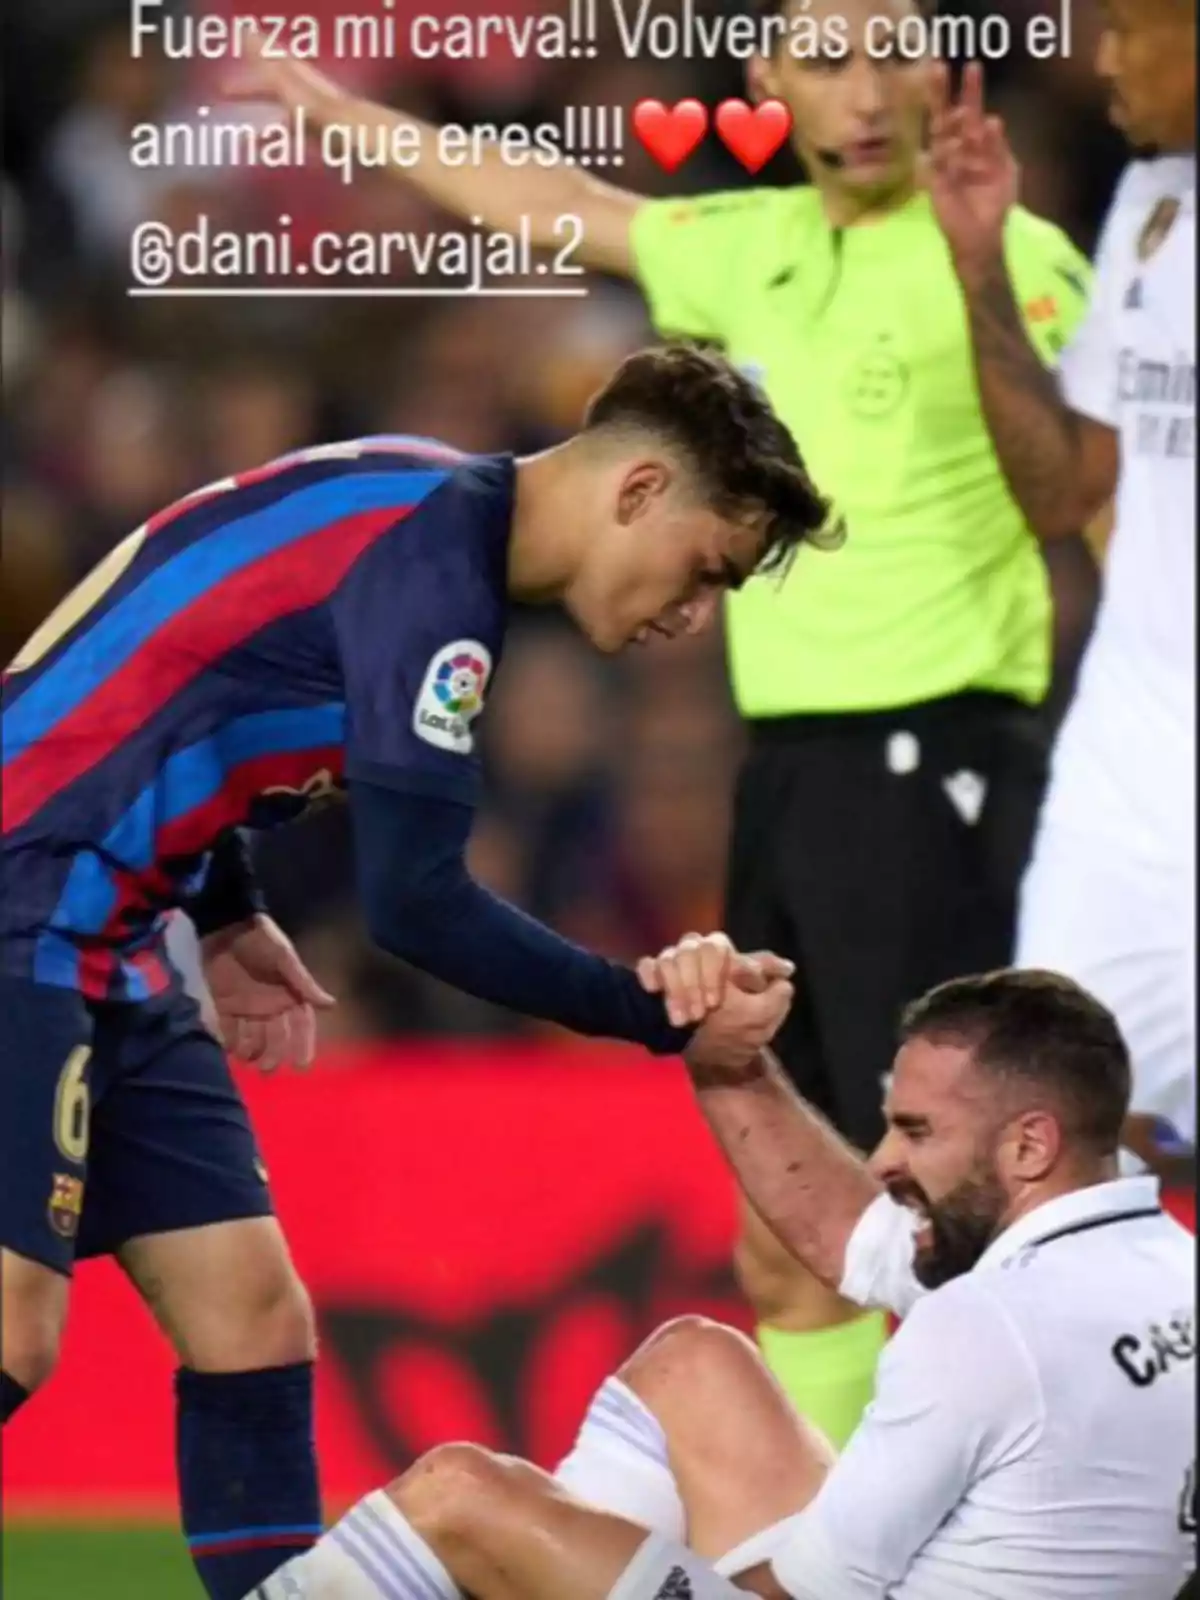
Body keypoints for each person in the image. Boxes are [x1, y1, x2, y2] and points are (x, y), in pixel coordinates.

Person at [226, 0, 1101, 1447]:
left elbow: (1082, 476)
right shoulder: (750, 247)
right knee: (788, 1226)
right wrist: (345, 117)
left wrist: (977, 272)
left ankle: (1028, 1520)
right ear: (766, 80)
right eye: (825, 57)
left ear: (952, 72)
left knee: (961, 1206)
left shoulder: (1007, 250)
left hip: (940, 757)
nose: (866, 90)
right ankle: (834, 1549)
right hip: (796, 777)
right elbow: (559, 202)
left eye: (895, 52)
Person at [0, 342, 821, 1600]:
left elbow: (176, 662)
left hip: (117, 918)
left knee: (252, 1321)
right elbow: (416, 903)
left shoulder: (420, 504)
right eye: (707, 568)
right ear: (641, 491)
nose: (691, 616)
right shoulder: (435, 564)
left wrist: (223, 900)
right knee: (13, 1329)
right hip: (27, 899)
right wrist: (654, 1009)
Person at [247, 967, 1197, 1600]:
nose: (881, 1160)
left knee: (462, 1494)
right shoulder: (1161, 1265)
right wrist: (725, 1060)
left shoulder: (983, 1328)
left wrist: (545, 1567)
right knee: (696, 1362)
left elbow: (806, 1595)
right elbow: (857, 1240)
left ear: (1029, 1143)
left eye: (917, 1131)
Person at [925, 5, 1196, 1167]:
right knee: (1045, 1147)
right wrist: (981, 271)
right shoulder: (1149, 207)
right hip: (1127, 784)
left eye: (1139, 25)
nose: (1107, 57)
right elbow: (1065, 488)